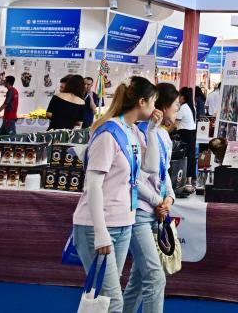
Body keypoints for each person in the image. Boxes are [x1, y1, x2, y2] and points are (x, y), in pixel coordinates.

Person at [72, 77, 161, 313]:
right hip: (98, 225)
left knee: (108, 299)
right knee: (112, 302)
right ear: (141, 102)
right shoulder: (108, 133)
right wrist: (100, 233)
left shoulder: (132, 131)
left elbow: (150, 168)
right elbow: (93, 184)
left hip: (123, 223)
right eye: (153, 102)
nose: (155, 108)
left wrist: (152, 131)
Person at [122, 82, 178, 313]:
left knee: (138, 280)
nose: (178, 110)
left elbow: (164, 173)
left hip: (155, 212)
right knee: (155, 278)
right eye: (175, 105)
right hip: (139, 212)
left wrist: (169, 198)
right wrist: (157, 201)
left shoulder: (162, 135)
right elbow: (135, 178)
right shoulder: (137, 133)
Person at [176, 87, 198, 194]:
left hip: (185, 134)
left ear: (183, 97)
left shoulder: (183, 107)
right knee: (191, 156)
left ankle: (183, 181)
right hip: (192, 134)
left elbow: (175, 123)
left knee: (184, 157)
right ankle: (189, 180)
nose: (178, 98)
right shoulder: (192, 107)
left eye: (179, 96)